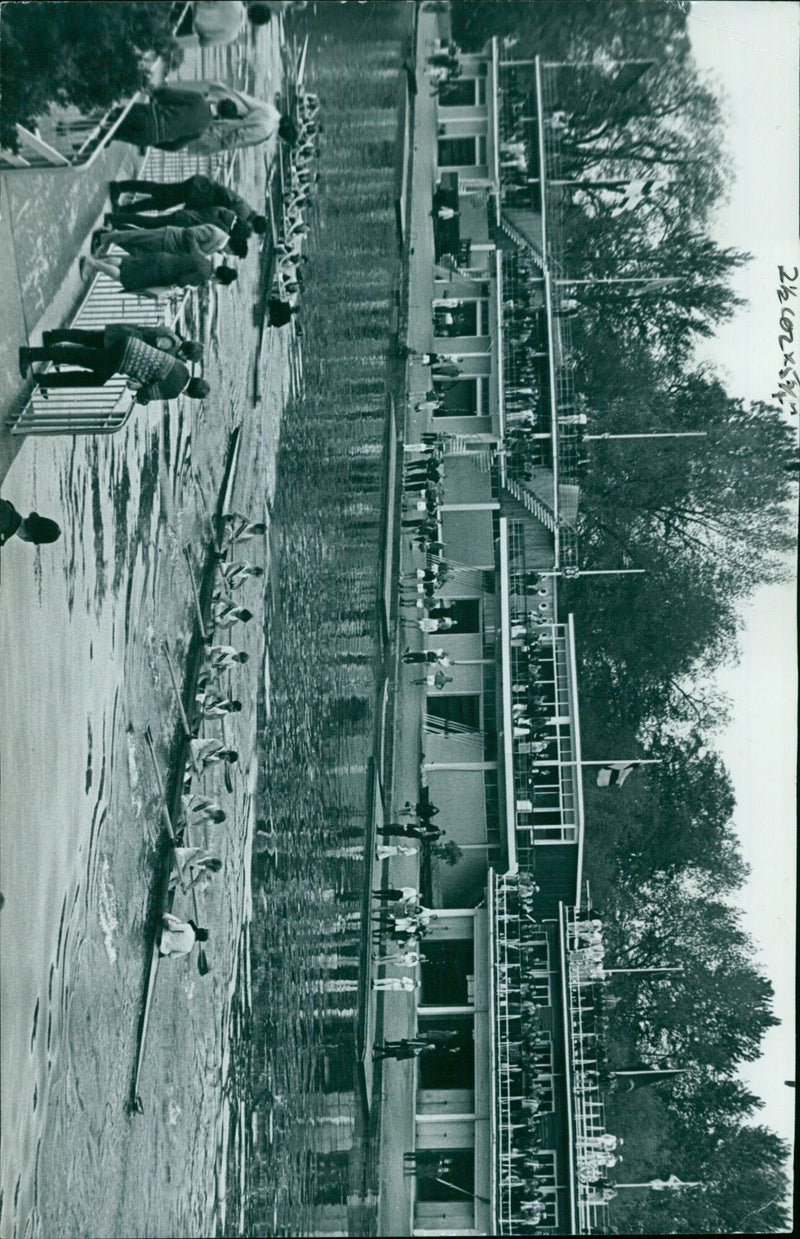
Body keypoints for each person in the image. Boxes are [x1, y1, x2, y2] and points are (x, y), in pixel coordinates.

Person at [19, 339, 209, 405]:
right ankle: (31, 355)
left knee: (91, 369)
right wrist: (143, 396)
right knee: (83, 360)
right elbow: (145, 393)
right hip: (123, 359)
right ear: (190, 395)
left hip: (129, 345)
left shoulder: (183, 368)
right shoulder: (174, 391)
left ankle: (45, 379)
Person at [158, 81, 296, 155]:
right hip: (221, 129)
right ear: (283, 137)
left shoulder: (271, 111)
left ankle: (159, 104)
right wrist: (222, 146)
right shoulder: (267, 130)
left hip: (229, 103)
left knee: (187, 111)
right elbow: (240, 136)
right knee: (181, 137)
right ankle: (154, 136)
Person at [109, 174, 268, 235]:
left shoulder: (245, 209)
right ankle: (120, 187)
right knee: (158, 192)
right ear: (253, 224)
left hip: (198, 189)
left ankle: (124, 208)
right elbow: (219, 198)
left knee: (160, 200)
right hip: (197, 191)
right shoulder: (242, 212)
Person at [78, 251, 237, 299]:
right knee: (124, 277)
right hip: (161, 273)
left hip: (162, 257)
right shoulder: (204, 276)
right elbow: (182, 280)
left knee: (126, 263)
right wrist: (182, 287)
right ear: (219, 280)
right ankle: (92, 263)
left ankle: (96, 263)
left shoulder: (206, 261)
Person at [39, 323, 203, 365]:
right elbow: (154, 343)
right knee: (87, 338)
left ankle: (56, 342)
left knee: (88, 340)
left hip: (125, 337)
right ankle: (53, 336)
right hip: (123, 339)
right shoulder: (171, 343)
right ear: (186, 353)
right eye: (187, 358)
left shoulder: (174, 338)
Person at [92, 221, 237, 259]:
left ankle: (111, 235)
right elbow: (190, 233)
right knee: (136, 237)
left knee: (136, 248)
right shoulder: (215, 234)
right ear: (231, 249)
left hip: (168, 245)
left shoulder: (219, 243)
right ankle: (103, 237)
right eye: (231, 254)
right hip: (169, 237)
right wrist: (197, 254)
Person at [189, 1, 272, 45]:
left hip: (187, 5)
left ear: (254, 5)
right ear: (255, 23)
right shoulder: (232, 35)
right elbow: (203, 43)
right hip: (186, 30)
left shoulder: (235, 2)